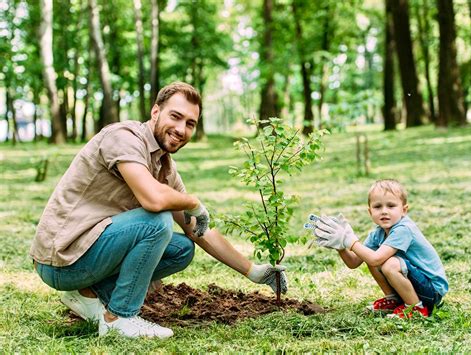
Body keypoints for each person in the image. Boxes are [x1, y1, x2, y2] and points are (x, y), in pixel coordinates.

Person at [30, 82, 287, 338]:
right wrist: (193, 202)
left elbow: (198, 230)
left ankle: (88, 294)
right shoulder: (123, 138)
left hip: (88, 252)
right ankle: (118, 319)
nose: (181, 129)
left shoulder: (163, 165)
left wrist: (253, 271)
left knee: (182, 250)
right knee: (158, 221)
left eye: (190, 123)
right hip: (62, 260)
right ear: (155, 112)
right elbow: (154, 200)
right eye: (175, 116)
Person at [308, 179, 448, 319]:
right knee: (369, 254)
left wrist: (349, 240)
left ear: (404, 210)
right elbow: (354, 262)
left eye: (391, 206)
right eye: (377, 207)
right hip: (415, 287)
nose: (384, 211)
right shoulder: (378, 233)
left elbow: (376, 259)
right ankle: (394, 300)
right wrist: (341, 246)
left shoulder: (404, 229)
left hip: (431, 291)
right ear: (370, 212)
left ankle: (415, 309)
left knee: (388, 263)